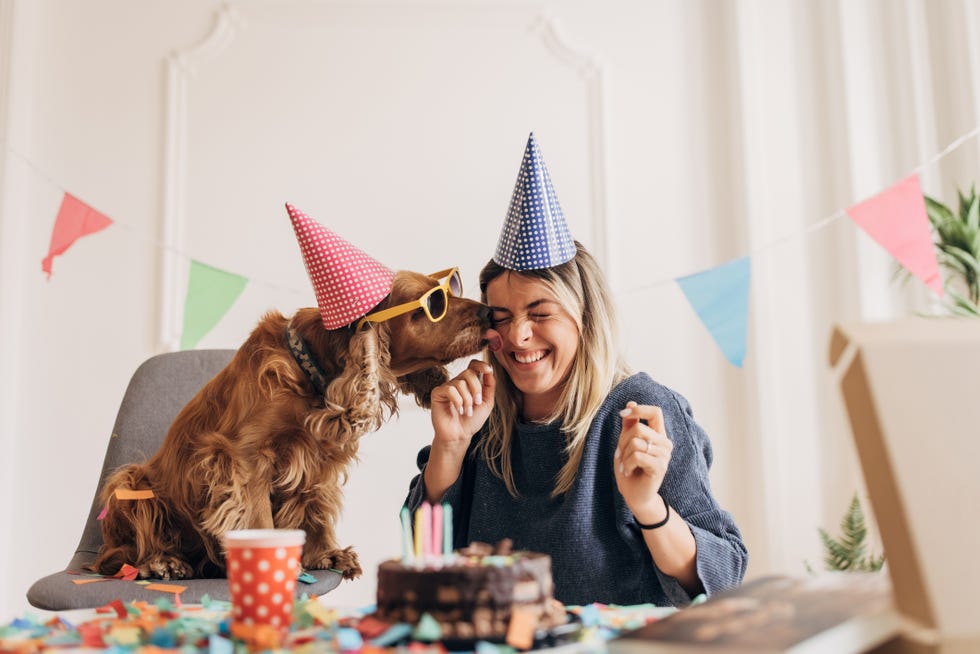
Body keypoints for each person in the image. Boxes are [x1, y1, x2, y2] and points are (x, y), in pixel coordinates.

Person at [404, 133, 747, 607]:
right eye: (501, 317)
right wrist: (450, 447)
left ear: (585, 316)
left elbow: (724, 577)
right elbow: (421, 561)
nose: (519, 337)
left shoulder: (641, 411)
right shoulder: (480, 422)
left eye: (540, 313)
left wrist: (648, 506)